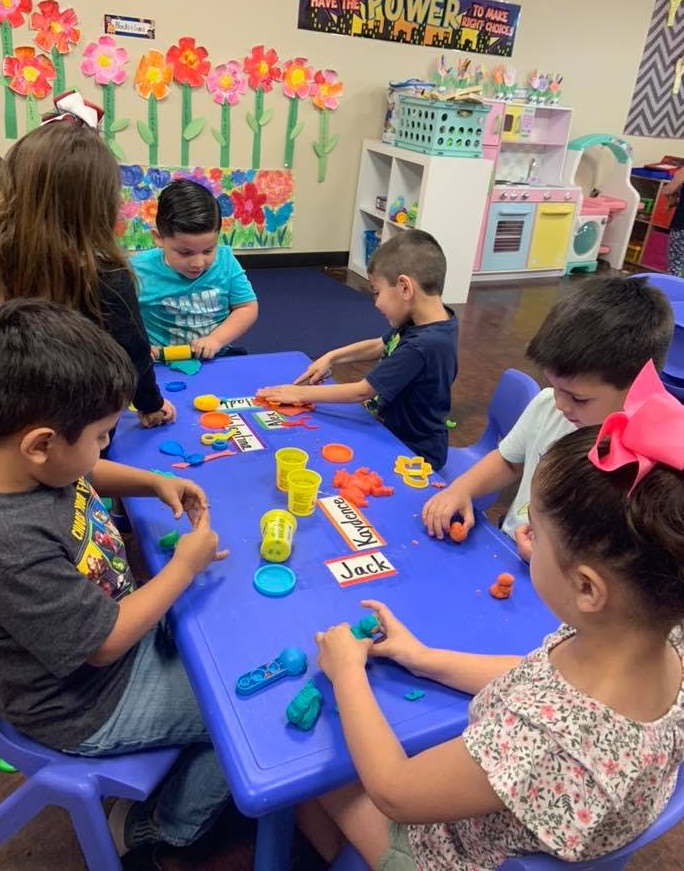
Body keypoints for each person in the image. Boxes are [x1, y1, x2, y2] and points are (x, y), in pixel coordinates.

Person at [302, 363, 684, 869]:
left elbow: (395, 791)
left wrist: (347, 670)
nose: (524, 537)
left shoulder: (541, 738)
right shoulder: (655, 634)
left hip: (454, 853)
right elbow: (540, 675)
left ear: (588, 587)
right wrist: (423, 657)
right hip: (536, 825)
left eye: (537, 534)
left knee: (308, 780)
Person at [0, 299, 230, 854]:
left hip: (114, 647)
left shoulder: (19, 467)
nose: (105, 446)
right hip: (87, 705)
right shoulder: (3, 545)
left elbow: (81, 471)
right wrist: (184, 565)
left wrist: (150, 481)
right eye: (103, 434)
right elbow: (105, 643)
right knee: (238, 714)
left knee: (233, 641)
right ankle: (160, 826)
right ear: (40, 444)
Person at [423, 275, 673, 557]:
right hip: (511, 548)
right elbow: (509, 459)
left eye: (578, 398)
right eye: (554, 386)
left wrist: (551, 559)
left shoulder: (643, 464)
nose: (560, 404)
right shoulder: (547, 405)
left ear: (636, 385)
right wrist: (461, 489)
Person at [0, 93, 175, 430]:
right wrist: (151, 405)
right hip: (77, 402)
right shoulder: (107, 274)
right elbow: (133, 350)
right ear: (101, 206)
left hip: (16, 374)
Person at [257, 230, 457, 470]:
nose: (376, 303)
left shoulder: (423, 345)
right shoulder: (425, 320)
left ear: (405, 287)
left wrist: (298, 394)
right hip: (390, 431)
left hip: (411, 451)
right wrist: (331, 356)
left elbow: (361, 392)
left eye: (377, 292)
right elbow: (379, 345)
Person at [131, 178, 258, 359]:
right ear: (158, 238)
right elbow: (118, 317)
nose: (198, 263)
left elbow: (246, 308)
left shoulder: (226, 262)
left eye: (208, 250)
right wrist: (138, 343)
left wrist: (216, 340)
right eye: (185, 253)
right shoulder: (137, 270)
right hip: (159, 361)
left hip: (215, 358)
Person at [662, 167, 684, 276]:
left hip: (682, 226)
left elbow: (668, 190)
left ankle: (673, 291)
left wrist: (671, 193)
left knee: (675, 266)